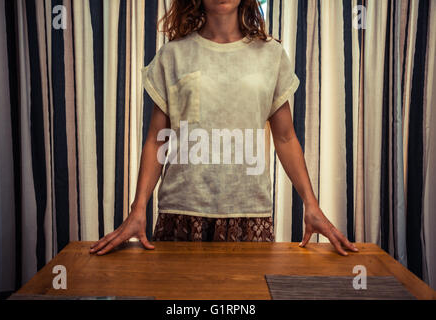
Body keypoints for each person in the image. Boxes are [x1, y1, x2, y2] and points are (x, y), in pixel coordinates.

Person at [90, 0, 358, 256]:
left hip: (249, 213)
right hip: (182, 213)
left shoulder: (271, 55)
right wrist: (138, 210)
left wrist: (311, 204)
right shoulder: (173, 54)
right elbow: (158, 140)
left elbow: (286, 138)